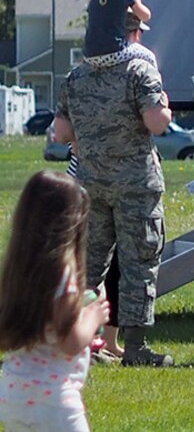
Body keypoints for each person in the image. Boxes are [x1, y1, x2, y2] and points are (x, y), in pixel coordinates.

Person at [50, 31, 174, 366]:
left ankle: (79, 342)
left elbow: (61, 134)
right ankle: (136, 347)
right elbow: (156, 123)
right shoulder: (140, 70)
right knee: (139, 264)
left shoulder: (76, 77)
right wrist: (165, 108)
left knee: (87, 265)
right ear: (132, 34)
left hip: (90, 185)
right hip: (136, 184)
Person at [0, 173, 112, 431]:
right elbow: (70, 342)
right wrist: (93, 316)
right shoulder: (63, 272)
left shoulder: (17, 269)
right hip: (53, 400)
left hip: (13, 395)